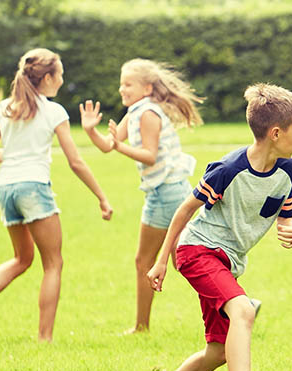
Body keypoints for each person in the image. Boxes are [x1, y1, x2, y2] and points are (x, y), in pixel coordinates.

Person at [146, 84, 292, 371]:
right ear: (276, 133)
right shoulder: (227, 170)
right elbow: (184, 211)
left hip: (228, 261)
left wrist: (288, 228)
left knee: (219, 350)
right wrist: (161, 261)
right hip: (197, 251)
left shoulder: (287, 170)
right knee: (243, 311)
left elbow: (284, 216)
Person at [0, 48, 113, 343]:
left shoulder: (4, 107)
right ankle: (45, 338)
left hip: (6, 189)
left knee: (22, 258)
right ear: (49, 78)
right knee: (53, 263)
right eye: (60, 75)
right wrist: (102, 197)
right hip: (34, 187)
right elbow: (75, 161)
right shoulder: (53, 111)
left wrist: (16, 154)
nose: (62, 81)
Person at [78, 58, 203, 334]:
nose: (122, 89)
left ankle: (142, 327)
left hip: (166, 193)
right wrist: (90, 130)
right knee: (183, 260)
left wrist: (121, 147)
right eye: (121, 83)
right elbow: (109, 146)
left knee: (157, 261)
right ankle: (236, 305)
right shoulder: (136, 111)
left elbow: (149, 155)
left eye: (128, 84)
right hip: (167, 191)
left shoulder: (147, 114)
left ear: (147, 88)